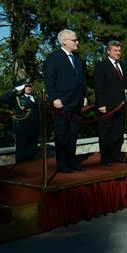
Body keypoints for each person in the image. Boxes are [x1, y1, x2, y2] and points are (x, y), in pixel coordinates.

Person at [43, 29, 87, 173]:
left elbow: (82, 80)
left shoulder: (78, 59)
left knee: (73, 134)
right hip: (61, 103)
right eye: (74, 40)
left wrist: (84, 96)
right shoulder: (53, 57)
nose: (77, 42)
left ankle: (72, 161)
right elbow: (49, 80)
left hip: (77, 102)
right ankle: (62, 164)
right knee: (62, 135)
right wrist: (54, 98)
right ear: (64, 42)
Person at [94, 41, 127, 166]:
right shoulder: (101, 66)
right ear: (108, 51)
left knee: (118, 130)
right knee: (105, 131)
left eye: (119, 50)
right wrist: (101, 104)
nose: (118, 53)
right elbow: (98, 86)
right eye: (115, 50)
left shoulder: (124, 66)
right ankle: (106, 157)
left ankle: (116, 153)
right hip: (107, 105)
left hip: (121, 105)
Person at [0, 78, 40, 163]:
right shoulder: (16, 98)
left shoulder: (35, 97)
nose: (29, 88)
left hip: (34, 129)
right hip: (22, 129)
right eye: (26, 86)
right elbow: (3, 99)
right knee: (21, 154)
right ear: (21, 88)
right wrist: (15, 89)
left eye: (30, 86)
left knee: (32, 154)